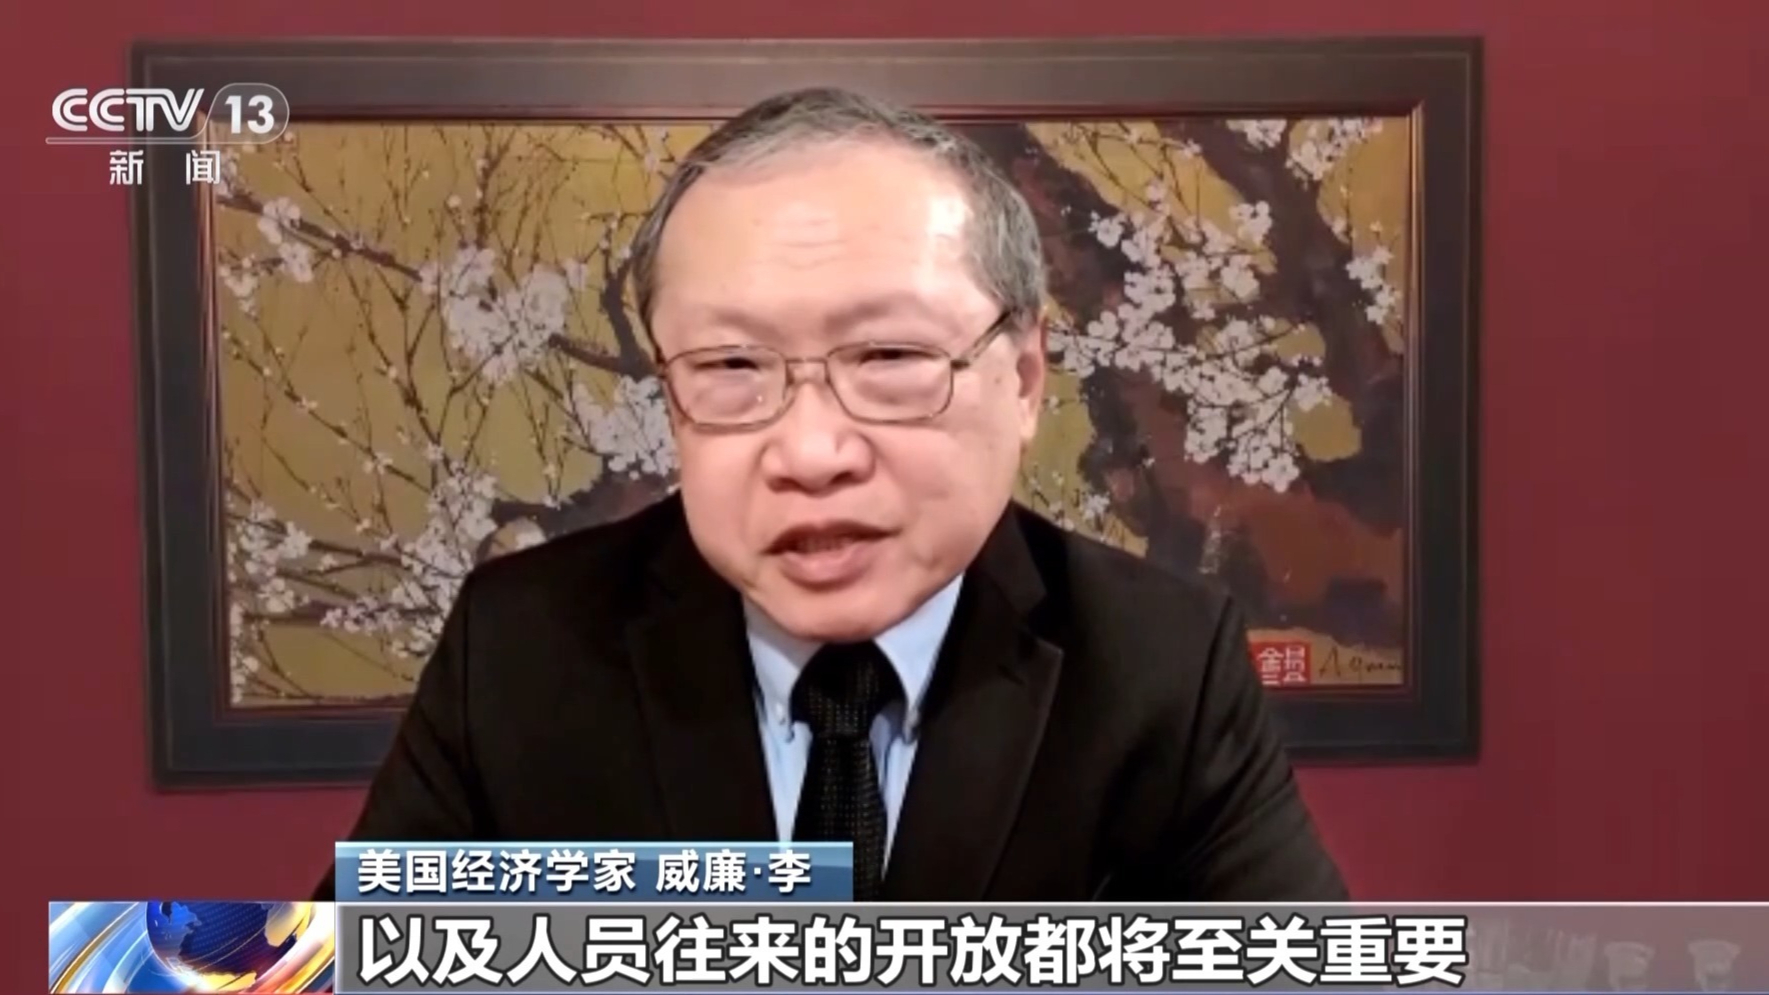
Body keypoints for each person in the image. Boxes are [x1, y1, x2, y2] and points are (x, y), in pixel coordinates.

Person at [315, 87, 1346, 903]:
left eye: (889, 356)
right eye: (730, 367)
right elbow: (321, 973)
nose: (810, 452)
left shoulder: (1160, 666)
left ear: (1025, 377)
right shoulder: (520, 647)